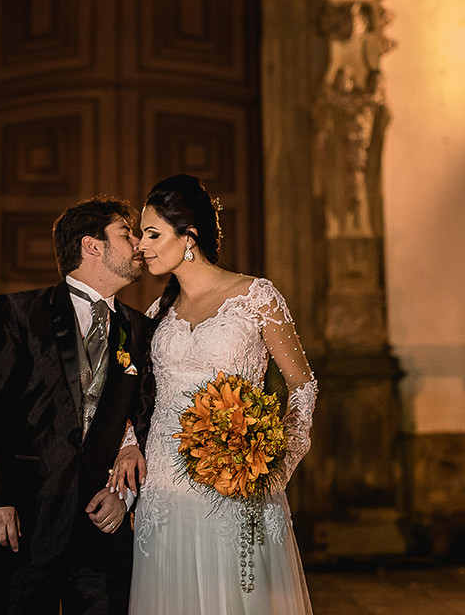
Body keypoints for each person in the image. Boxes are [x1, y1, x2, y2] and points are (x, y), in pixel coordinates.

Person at [112, 174, 318, 614]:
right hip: (163, 487)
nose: (140, 246)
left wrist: (276, 466)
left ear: (189, 236)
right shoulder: (157, 313)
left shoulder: (255, 297)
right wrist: (129, 445)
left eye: (152, 234)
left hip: (236, 481)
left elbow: (302, 386)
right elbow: (134, 396)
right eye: (140, 234)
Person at [0, 196, 156, 615]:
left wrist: (123, 495)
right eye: (126, 234)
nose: (139, 243)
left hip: (102, 524)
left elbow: (145, 419)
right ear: (93, 246)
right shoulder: (20, 313)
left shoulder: (140, 329)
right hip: (26, 521)